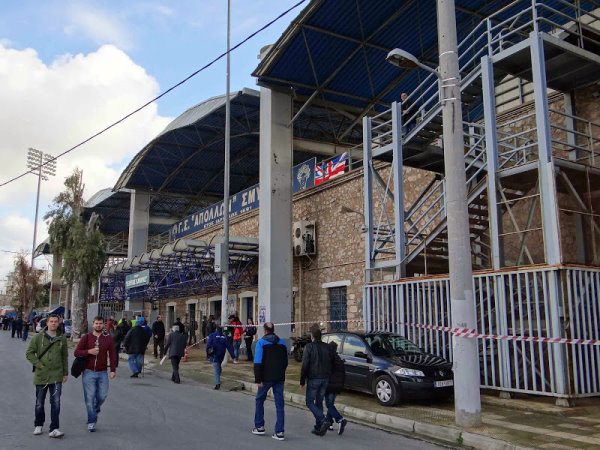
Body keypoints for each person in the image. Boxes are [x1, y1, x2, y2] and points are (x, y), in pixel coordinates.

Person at [25, 314, 68, 438]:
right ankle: (38, 424)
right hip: (41, 376)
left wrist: (65, 373)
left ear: (58, 323)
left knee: (56, 402)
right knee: (39, 402)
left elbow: (64, 357)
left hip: (56, 375)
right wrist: (39, 365)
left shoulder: (62, 338)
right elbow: (29, 353)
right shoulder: (38, 337)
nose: (53, 323)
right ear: (47, 323)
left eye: (56, 321)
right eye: (51, 321)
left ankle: (54, 428)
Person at [74, 316, 117, 432]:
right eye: (96, 323)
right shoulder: (87, 338)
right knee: (90, 397)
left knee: (103, 395)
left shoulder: (108, 338)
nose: (98, 325)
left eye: (100, 323)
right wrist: (89, 351)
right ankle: (91, 421)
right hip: (88, 372)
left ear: (103, 325)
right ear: (93, 324)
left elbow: (113, 354)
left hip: (102, 372)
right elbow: (76, 352)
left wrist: (113, 370)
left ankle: (95, 408)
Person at [252, 322, 288, 441]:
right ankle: (280, 431)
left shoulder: (261, 343)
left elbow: (257, 362)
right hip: (279, 378)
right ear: (274, 330)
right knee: (279, 404)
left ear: (265, 331)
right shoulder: (283, 343)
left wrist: (258, 379)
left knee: (259, 400)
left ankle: (259, 426)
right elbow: (286, 361)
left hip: (265, 378)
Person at [300, 323, 333, 436]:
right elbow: (331, 362)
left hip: (314, 378)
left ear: (312, 337)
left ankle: (323, 420)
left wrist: (302, 381)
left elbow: (305, 365)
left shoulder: (309, 347)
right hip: (325, 378)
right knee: (319, 402)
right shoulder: (327, 347)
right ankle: (318, 426)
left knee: (309, 402)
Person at [325, 341, 347, 435]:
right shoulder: (338, 358)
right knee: (331, 404)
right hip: (338, 385)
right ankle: (329, 423)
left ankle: (340, 419)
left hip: (330, 385)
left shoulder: (329, 358)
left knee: (329, 405)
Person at [206, 325, 235, 390]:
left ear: (216, 329)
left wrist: (207, 354)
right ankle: (218, 379)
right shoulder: (224, 337)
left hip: (214, 354)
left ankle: (217, 383)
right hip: (221, 355)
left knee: (216, 368)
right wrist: (233, 356)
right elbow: (229, 347)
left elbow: (208, 345)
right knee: (218, 366)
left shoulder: (212, 335)